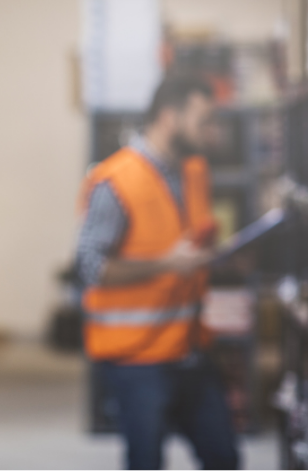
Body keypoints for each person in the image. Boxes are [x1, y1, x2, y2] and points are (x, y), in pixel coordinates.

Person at [75, 75, 239, 470]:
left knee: (224, 457)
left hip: (190, 346)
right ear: (169, 117)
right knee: (146, 461)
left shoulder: (194, 171)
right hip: (136, 356)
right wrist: (169, 262)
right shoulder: (115, 180)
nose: (211, 131)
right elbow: (90, 266)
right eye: (203, 121)